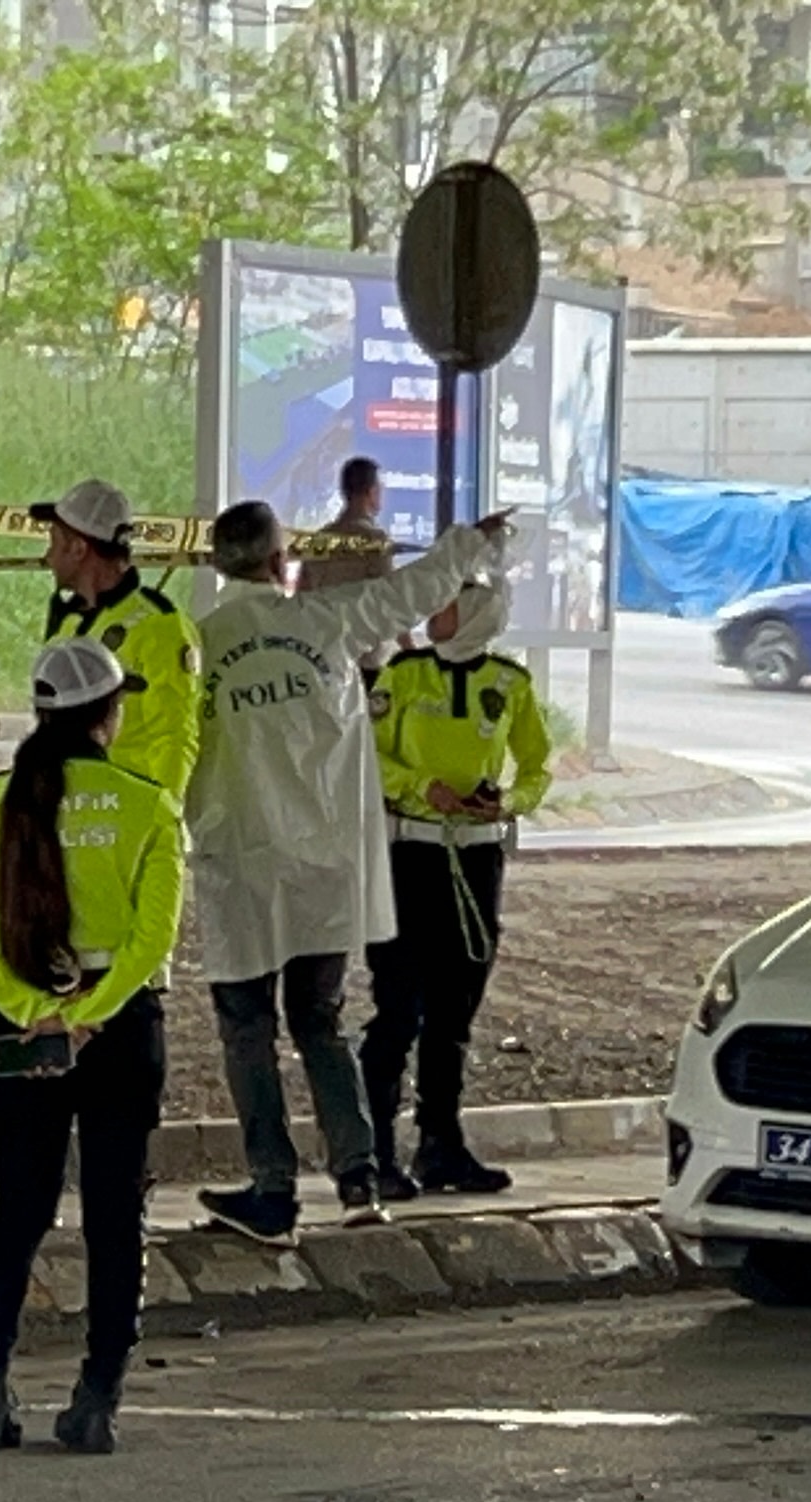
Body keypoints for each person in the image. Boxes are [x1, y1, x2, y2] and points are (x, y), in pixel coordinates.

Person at [187, 498, 510, 1245]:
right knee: (319, 1023)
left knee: (247, 1032)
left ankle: (272, 1190)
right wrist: (471, 542)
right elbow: (417, 589)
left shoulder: (199, 649)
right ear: (281, 563)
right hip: (322, 869)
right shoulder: (329, 620)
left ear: (217, 565)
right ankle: (360, 1178)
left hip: (237, 864)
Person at [0, 636, 184, 1456]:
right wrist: (96, 1011)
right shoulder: (148, 805)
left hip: (24, 1027)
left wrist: (33, 1009)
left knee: (19, 1209)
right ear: (108, 717)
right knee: (116, 1215)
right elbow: (154, 940)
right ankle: (97, 1400)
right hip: (120, 1029)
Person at [360, 571, 552, 1201]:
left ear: (476, 615)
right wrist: (423, 790)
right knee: (397, 1010)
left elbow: (536, 767)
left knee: (453, 1012)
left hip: (475, 862)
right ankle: (374, 1152)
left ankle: (441, 1144)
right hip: (410, 857)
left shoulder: (510, 683)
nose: (433, 613)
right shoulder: (403, 675)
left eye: (446, 605)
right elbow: (369, 757)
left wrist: (506, 803)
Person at [33, 478, 201, 794]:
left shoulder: (158, 625)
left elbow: (174, 738)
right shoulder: (69, 625)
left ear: (79, 548)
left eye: (54, 542)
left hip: (126, 818)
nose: (47, 556)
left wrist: (162, 818)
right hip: (72, 810)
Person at [301, 456, 399, 680]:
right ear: (371, 491)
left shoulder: (319, 539)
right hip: (366, 659)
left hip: (323, 656)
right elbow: (390, 601)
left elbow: (302, 595)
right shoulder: (375, 540)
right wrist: (412, 649)